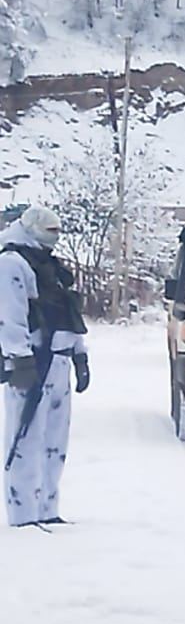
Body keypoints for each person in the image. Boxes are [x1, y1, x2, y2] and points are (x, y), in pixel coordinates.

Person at [1, 205, 89, 528]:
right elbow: (9, 316)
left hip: (59, 360)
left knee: (54, 441)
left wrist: (80, 354)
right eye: (50, 230)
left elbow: (69, 314)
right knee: (25, 439)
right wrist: (19, 359)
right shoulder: (12, 262)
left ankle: (47, 508)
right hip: (33, 361)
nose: (56, 236)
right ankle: (23, 515)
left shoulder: (49, 264)